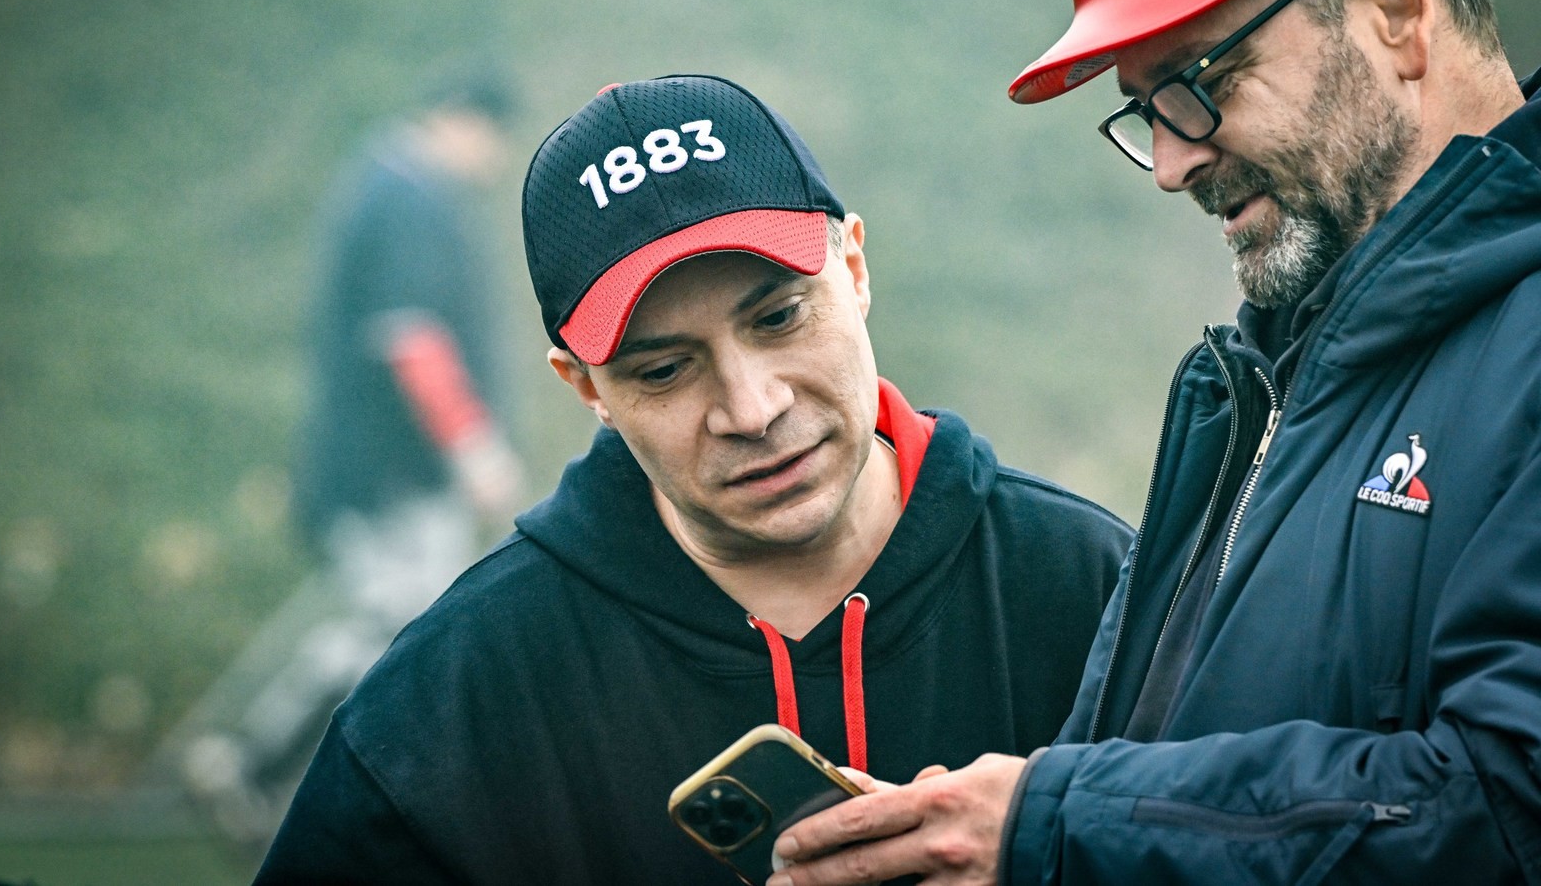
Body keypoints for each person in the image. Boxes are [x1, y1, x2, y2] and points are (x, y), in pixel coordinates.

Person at [767, 0, 1541, 883]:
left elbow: (1508, 806)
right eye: (1145, 109)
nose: (1171, 162)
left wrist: (1053, 826)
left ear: (1394, 5)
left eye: (1198, 78)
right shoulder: (1262, 382)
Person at [252, 74, 1132, 883]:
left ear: (855, 269)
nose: (751, 408)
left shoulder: (1099, 588)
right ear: (587, 387)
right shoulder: (455, 693)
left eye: (779, 317)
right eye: (666, 369)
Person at [181, 74, 526, 845]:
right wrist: (472, 446)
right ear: (460, 119)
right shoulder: (409, 196)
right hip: (392, 472)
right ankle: (253, 763)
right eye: (495, 138)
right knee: (403, 629)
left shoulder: (388, 185)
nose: (495, 160)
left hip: (386, 468)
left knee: (402, 627)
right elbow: (413, 337)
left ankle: (267, 772)